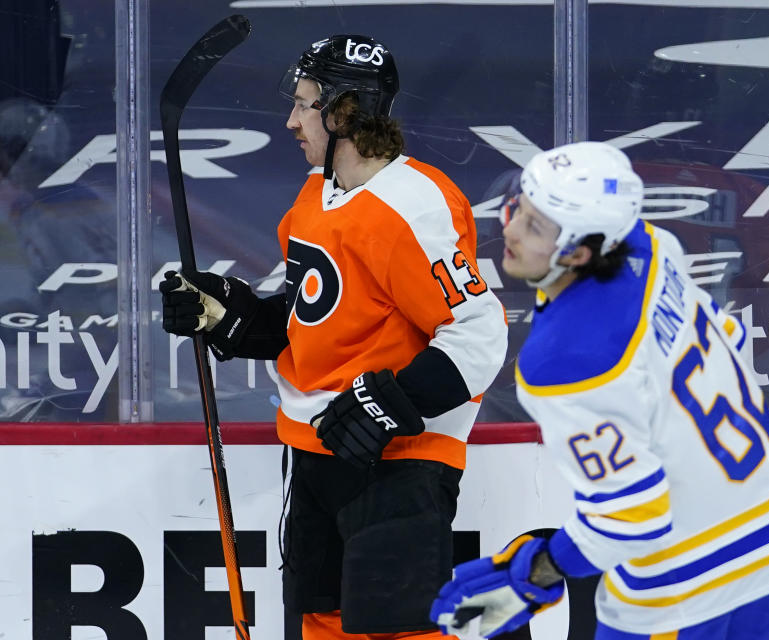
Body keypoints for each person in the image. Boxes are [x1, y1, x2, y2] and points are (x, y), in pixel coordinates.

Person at [159, 34, 508, 639]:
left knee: (400, 627)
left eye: (303, 104)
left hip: (399, 461)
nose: (291, 120)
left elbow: (478, 335)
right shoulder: (316, 193)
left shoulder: (414, 206)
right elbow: (310, 318)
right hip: (313, 448)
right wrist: (228, 318)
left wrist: (386, 405)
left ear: (344, 112)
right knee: (321, 619)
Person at [430, 141, 769, 639]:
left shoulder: (565, 359)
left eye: (534, 226)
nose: (509, 229)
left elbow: (631, 518)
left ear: (581, 249)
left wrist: (537, 571)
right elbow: (730, 339)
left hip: (684, 577)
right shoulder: (652, 246)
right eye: (518, 209)